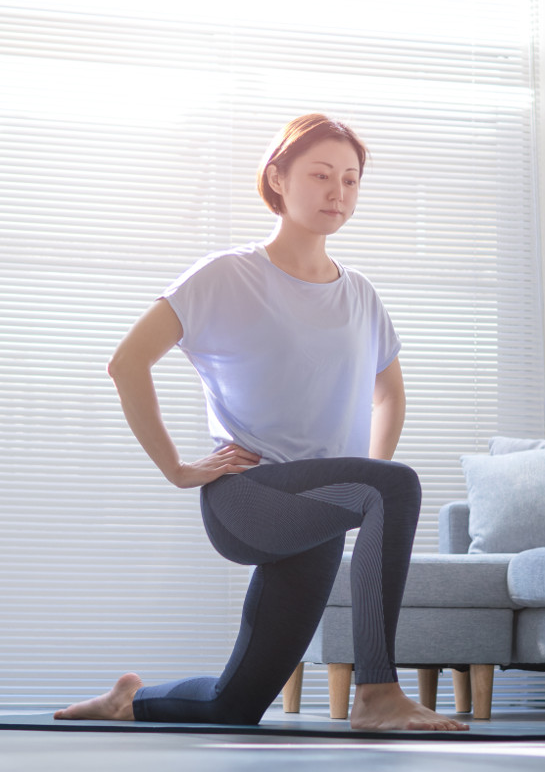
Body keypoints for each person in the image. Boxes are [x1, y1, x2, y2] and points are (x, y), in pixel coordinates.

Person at [54, 114, 467, 731]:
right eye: (322, 175)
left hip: (320, 503)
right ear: (277, 177)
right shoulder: (226, 276)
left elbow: (390, 395)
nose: (339, 193)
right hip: (248, 497)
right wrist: (176, 467)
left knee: (236, 704)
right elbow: (128, 362)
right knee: (396, 484)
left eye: (351, 181)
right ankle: (378, 693)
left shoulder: (361, 295)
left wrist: (365, 487)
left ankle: (128, 700)